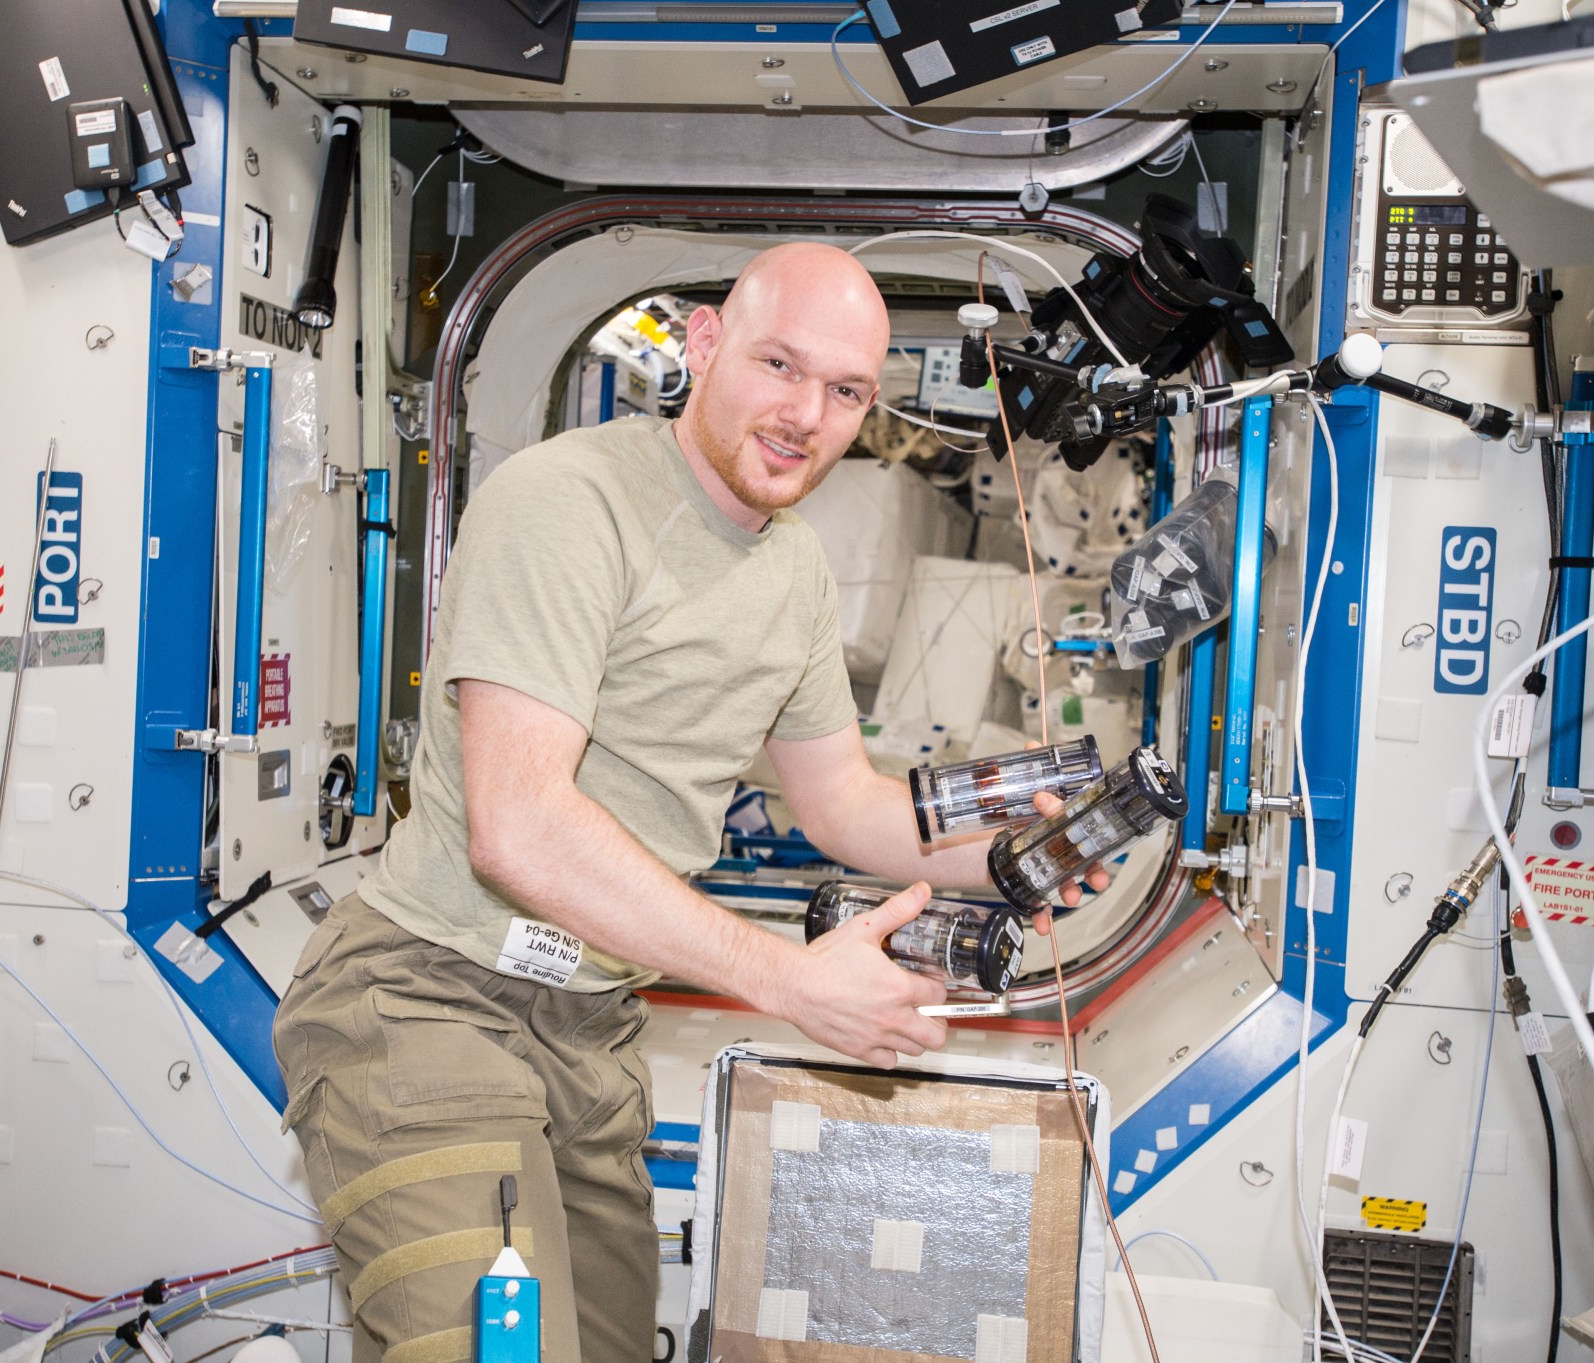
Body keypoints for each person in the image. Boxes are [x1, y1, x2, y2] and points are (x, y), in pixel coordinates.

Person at [273, 241, 1103, 1363]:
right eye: (778, 365)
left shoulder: (794, 568)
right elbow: (518, 826)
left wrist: (1007, 858)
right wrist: (791, 983)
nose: (806, 414)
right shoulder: (568, 501)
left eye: (847, 390)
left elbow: (843, 805)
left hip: (588, 1027)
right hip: (428, 998)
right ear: (704, 345)